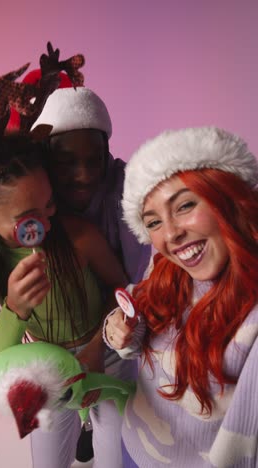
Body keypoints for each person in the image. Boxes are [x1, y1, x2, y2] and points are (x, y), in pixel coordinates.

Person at [104, 127, 258, 467]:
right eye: (153, 222)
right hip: (135, 447)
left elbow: (245, 447)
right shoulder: (166, 267)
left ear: (230, 198)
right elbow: (140, 328)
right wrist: (123, 330)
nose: (171, 234)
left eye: (185, 205)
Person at [32, 84, 151, 464]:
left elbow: (136, 283)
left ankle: (93, 424)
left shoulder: (127, 192)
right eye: (67, 162)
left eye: (94, 160)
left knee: (117, 449)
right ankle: (83, 423)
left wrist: (100, 345)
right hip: (51, 350)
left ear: (108, 155)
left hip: (115, 338)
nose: (83, 175)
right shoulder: (27, 194)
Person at [0, 134, 128, 468]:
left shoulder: (79, 235)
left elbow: (120, 289)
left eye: (49, 203)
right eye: (28, 215)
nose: (46, 220)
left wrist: (98, 345)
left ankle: (91, 431)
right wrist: (15, 308)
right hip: (46, 373)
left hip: (106, 356)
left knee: (118, 457)